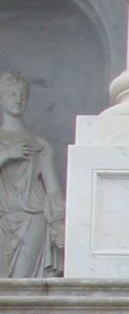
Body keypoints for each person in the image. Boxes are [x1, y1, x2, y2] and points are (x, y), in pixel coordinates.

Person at [0, 71, 64, 279]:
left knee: (23, 282)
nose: (18, 100)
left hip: (33, 216)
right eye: (11, 94)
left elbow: (53, 190)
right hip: (3, 215)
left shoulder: (40, 144)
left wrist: (59, 223)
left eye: (22, 95)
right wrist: (7, 155)